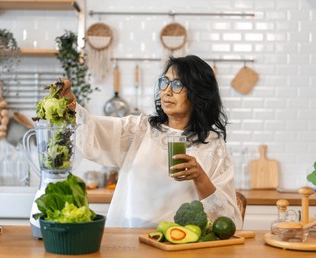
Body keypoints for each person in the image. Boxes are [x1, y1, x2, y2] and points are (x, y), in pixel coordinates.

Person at [62, 55, 242, 229]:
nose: (167, 91)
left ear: (198, 93)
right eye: (165, 82)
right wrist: (70, 104)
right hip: (130, 239)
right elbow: (93, 129)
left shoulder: (212, 145)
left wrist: (200, 177)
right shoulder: (139, 129)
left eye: (178, 84)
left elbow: (228, 220)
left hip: (180, 242)